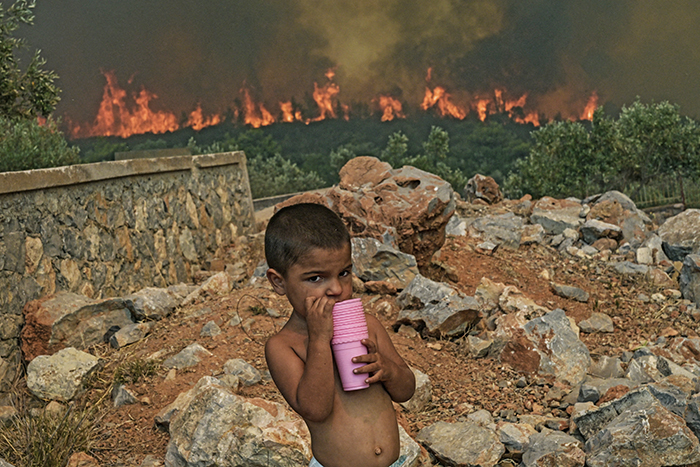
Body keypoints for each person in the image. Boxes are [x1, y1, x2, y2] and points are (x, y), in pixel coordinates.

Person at [264, 203, 416, 467]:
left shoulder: (369, 326)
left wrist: (388, 370)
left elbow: (406, 390)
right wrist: (320, 339)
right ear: (279, 282)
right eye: (315, 278)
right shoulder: (283, 346)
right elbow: (315, 409)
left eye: (344, 273)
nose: (336, 288)